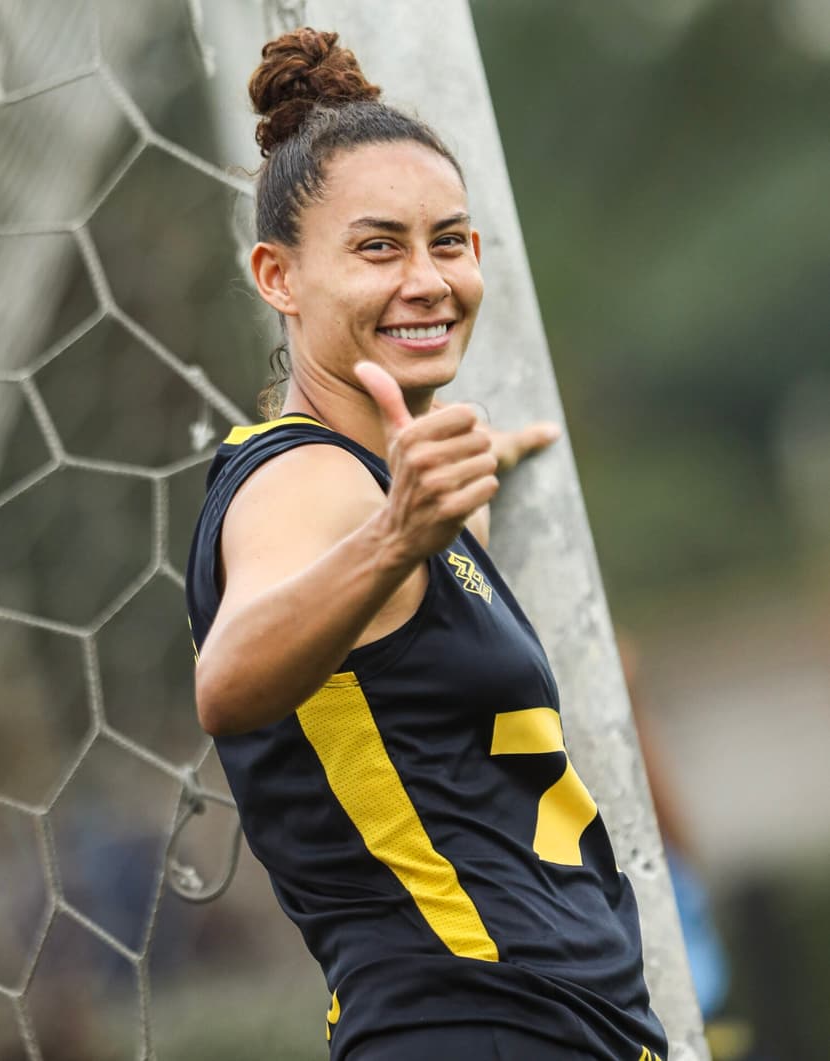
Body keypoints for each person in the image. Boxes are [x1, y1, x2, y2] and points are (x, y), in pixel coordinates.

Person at [186, 27, 668, 1061]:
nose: (426, 278)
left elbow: (415, 587)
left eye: (447, 241)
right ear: (277, 276)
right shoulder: (302, 481)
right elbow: (226, 678)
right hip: (464, 1023)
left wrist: (463, 480)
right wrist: (400, 529)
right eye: (377, 247)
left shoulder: (387, 491)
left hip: (561, 1026)